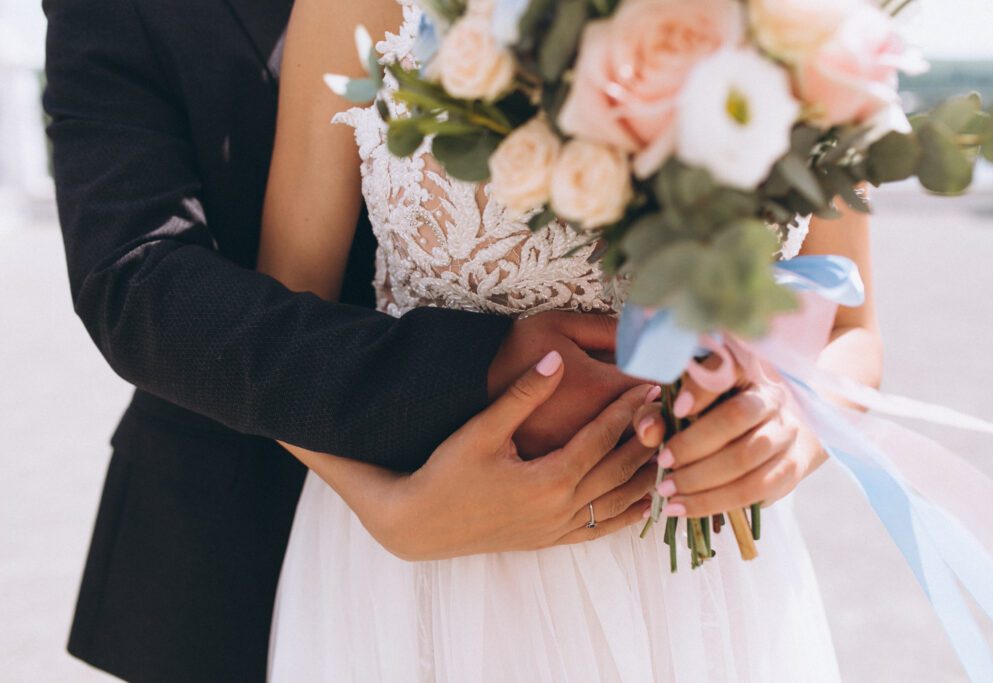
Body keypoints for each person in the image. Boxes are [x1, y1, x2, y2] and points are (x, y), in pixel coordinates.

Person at [262, 1, 885, 680]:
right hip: (437, 567)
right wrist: (388, 506)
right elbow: (284, 327)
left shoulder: (808, 15)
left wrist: (787, 431)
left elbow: (854, 333)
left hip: (703, 590)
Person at [43, 0, 656, 680]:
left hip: (653, 520)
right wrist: (392, 498)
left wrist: (790, 417)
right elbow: (136, 281)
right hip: (250, 526)